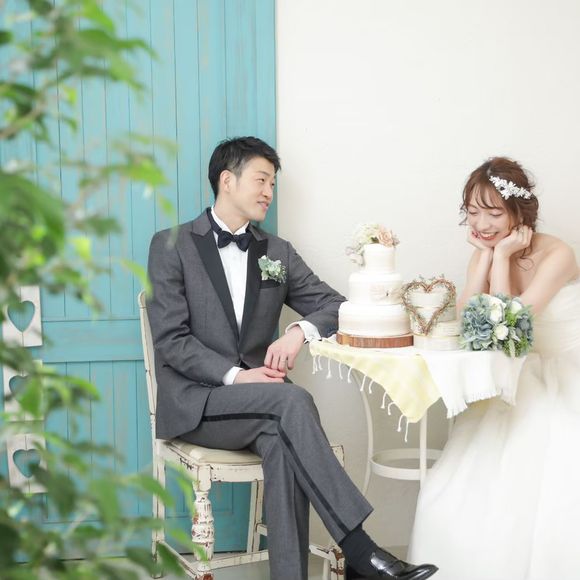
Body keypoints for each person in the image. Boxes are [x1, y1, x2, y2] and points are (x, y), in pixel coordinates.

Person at [147, 136, 437, 580]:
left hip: (263, 408)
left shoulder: (276, 252)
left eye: (273, 184)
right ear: (227, 180)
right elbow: (171, 340)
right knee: (292, 400)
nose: (269, 192)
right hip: (197, 402)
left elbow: (336, 306)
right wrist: (235, 376)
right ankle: (360, 551)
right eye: (261, 180)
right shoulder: (171, 245)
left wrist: (298, 332)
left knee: (282, 439)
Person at [408, 156, 580, 579]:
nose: (481, 224)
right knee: (462, 480)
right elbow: (467, 322)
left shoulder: (557, 254)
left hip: (565, 371)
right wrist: (486, 261)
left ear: (519, 212)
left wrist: (501, 258)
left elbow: (511, 327)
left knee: (540, 447)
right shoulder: (484, 252)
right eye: (472, 212)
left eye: (493, 213)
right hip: (517, 372)